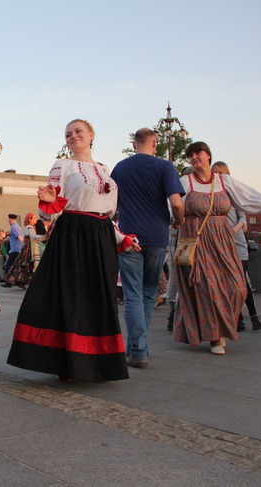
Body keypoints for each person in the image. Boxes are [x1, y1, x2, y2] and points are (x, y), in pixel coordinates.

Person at [7, 119, 133, 382]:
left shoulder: (103, 168)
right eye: (68, 134)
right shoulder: (62, 165)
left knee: (101, 298)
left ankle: (98, 363)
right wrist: (48, 200)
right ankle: (68, 362)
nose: (73, 136)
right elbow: (48, 211)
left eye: (78, 131)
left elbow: (105, 212)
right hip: (73, 233)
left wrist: (121, 237)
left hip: (101, 236)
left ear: (91, 135)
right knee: (73, 297)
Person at [174, 142, 261, 355]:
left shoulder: (223, 181)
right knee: (207, 287)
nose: (193, 157)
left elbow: (250, 198)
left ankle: (222, 325)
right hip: (197, 239)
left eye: (197, 153)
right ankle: (215, 337)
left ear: (208, 155)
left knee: (238, 286)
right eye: (189, 155)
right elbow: (173, 207)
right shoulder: (185, 181)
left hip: (222, 239)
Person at [112, 127, 184, 368]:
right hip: (157, 236)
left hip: (129, 237)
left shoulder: (120, 168)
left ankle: (138, 350)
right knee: (148, 293)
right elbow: (176, 203)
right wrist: (179, 220)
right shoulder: (165, 167)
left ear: (134, 145)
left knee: (132, 294)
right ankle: (139, 349)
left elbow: (112, 205)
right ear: (154, 143)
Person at [211, 161, 261, 331]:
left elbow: (243, 218)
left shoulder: (233, 194)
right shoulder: (212, 195)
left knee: (242, 281)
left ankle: (253, 315)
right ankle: (237, 318)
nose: (217, 175)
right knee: (226, 283)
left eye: (219, 172)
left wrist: (235, 229)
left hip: (237, 243)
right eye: (214, 172)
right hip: (221, 245)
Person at [3, 212, 40, 289]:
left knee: (18, 265)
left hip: (21, 249)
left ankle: (13, 281)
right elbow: (30, 237)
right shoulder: (27, 227)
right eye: (34, 218)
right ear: (30, 220)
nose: (36, 219)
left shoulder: (15, 227)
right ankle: (13, 281)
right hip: (24, 249)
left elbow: (20, 237)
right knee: (19, 265)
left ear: (10, 219)